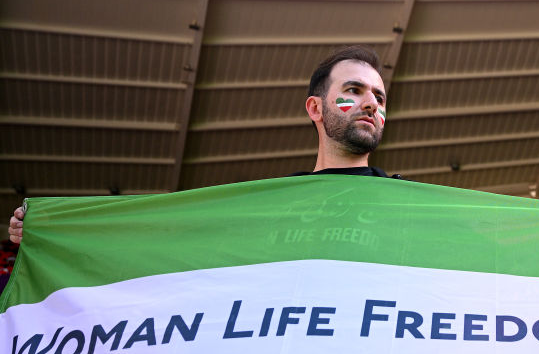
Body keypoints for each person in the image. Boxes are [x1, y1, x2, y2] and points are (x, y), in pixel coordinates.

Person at [7, 45, 402, 244]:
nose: (371, 103)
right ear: (315, 108)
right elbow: (168, 237)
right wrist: (56, 232)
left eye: (379, 98)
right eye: (354, 90)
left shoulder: (409, 206)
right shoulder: (272, 203)